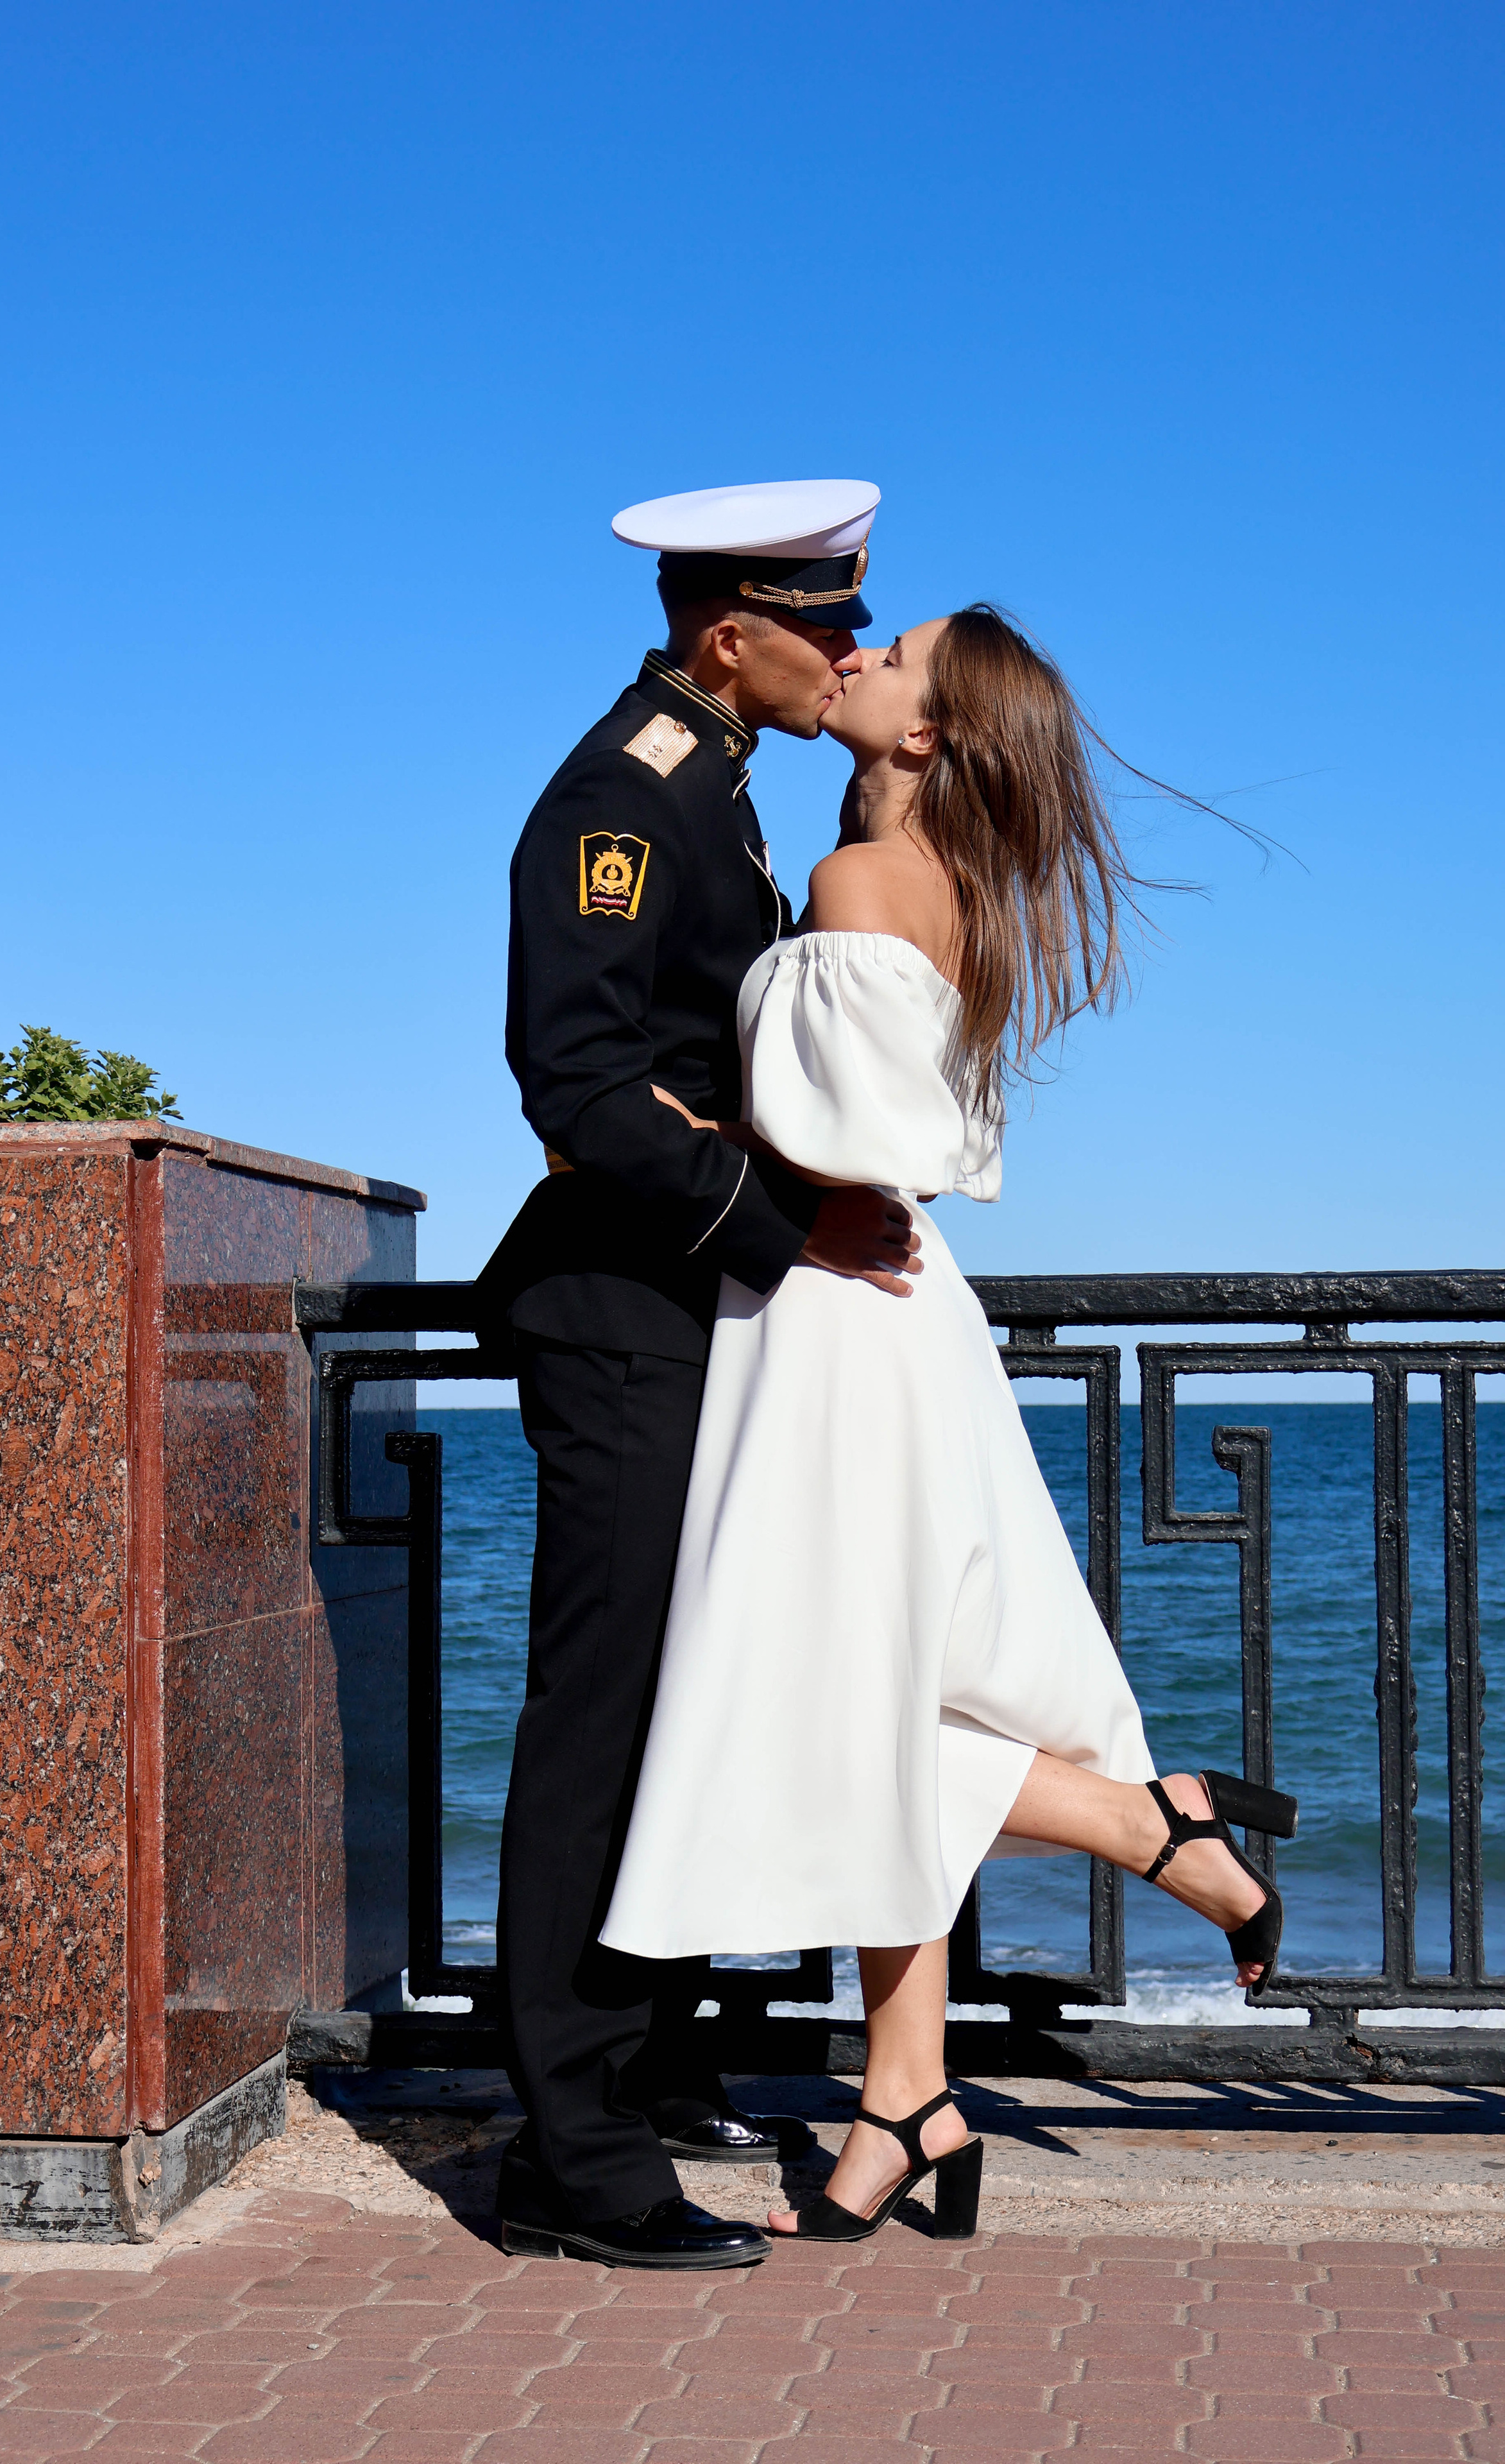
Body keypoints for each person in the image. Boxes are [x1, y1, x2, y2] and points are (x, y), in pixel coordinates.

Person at [600, 606, 1299, 2245]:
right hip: (890, 1316)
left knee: (836, 1709)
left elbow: (835, 1145)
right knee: (863, 1700)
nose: (854, 655)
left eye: (891, 654)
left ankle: (1143, 1827)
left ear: (924, 735)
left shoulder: (857, 889)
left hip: (836, 1316)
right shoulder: (956, 894)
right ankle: (908, 2089)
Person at [478, 481, 928, 2270]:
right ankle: (567, 2156)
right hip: (618, 1310)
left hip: (688, 1302)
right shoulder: (622, 794)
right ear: (723, 631)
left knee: (685, 1698)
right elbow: (575, 1083)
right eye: (822, 625)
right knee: (602, 1719)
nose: (845, 651)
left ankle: (646, 2067)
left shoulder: (723, 787)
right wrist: (782, 1221)